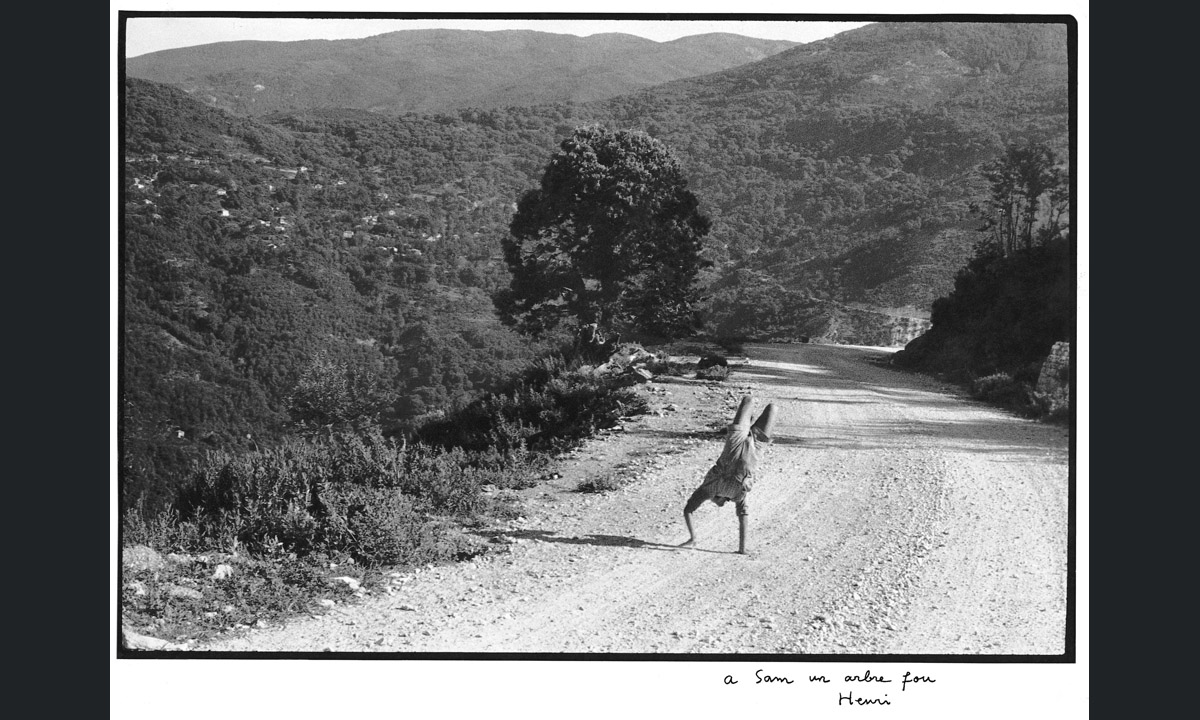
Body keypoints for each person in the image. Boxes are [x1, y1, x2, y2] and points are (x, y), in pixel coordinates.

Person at [678, 395, 776, 555]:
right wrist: (742, 549)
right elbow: (688, 511)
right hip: (750, 446)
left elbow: (688, 510)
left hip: (743, 444)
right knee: (753, 402)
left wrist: (693, 537)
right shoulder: (734, 496)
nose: (719, 504)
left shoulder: (709, 490)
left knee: (769, 407)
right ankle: (749, 422)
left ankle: (749, 422)